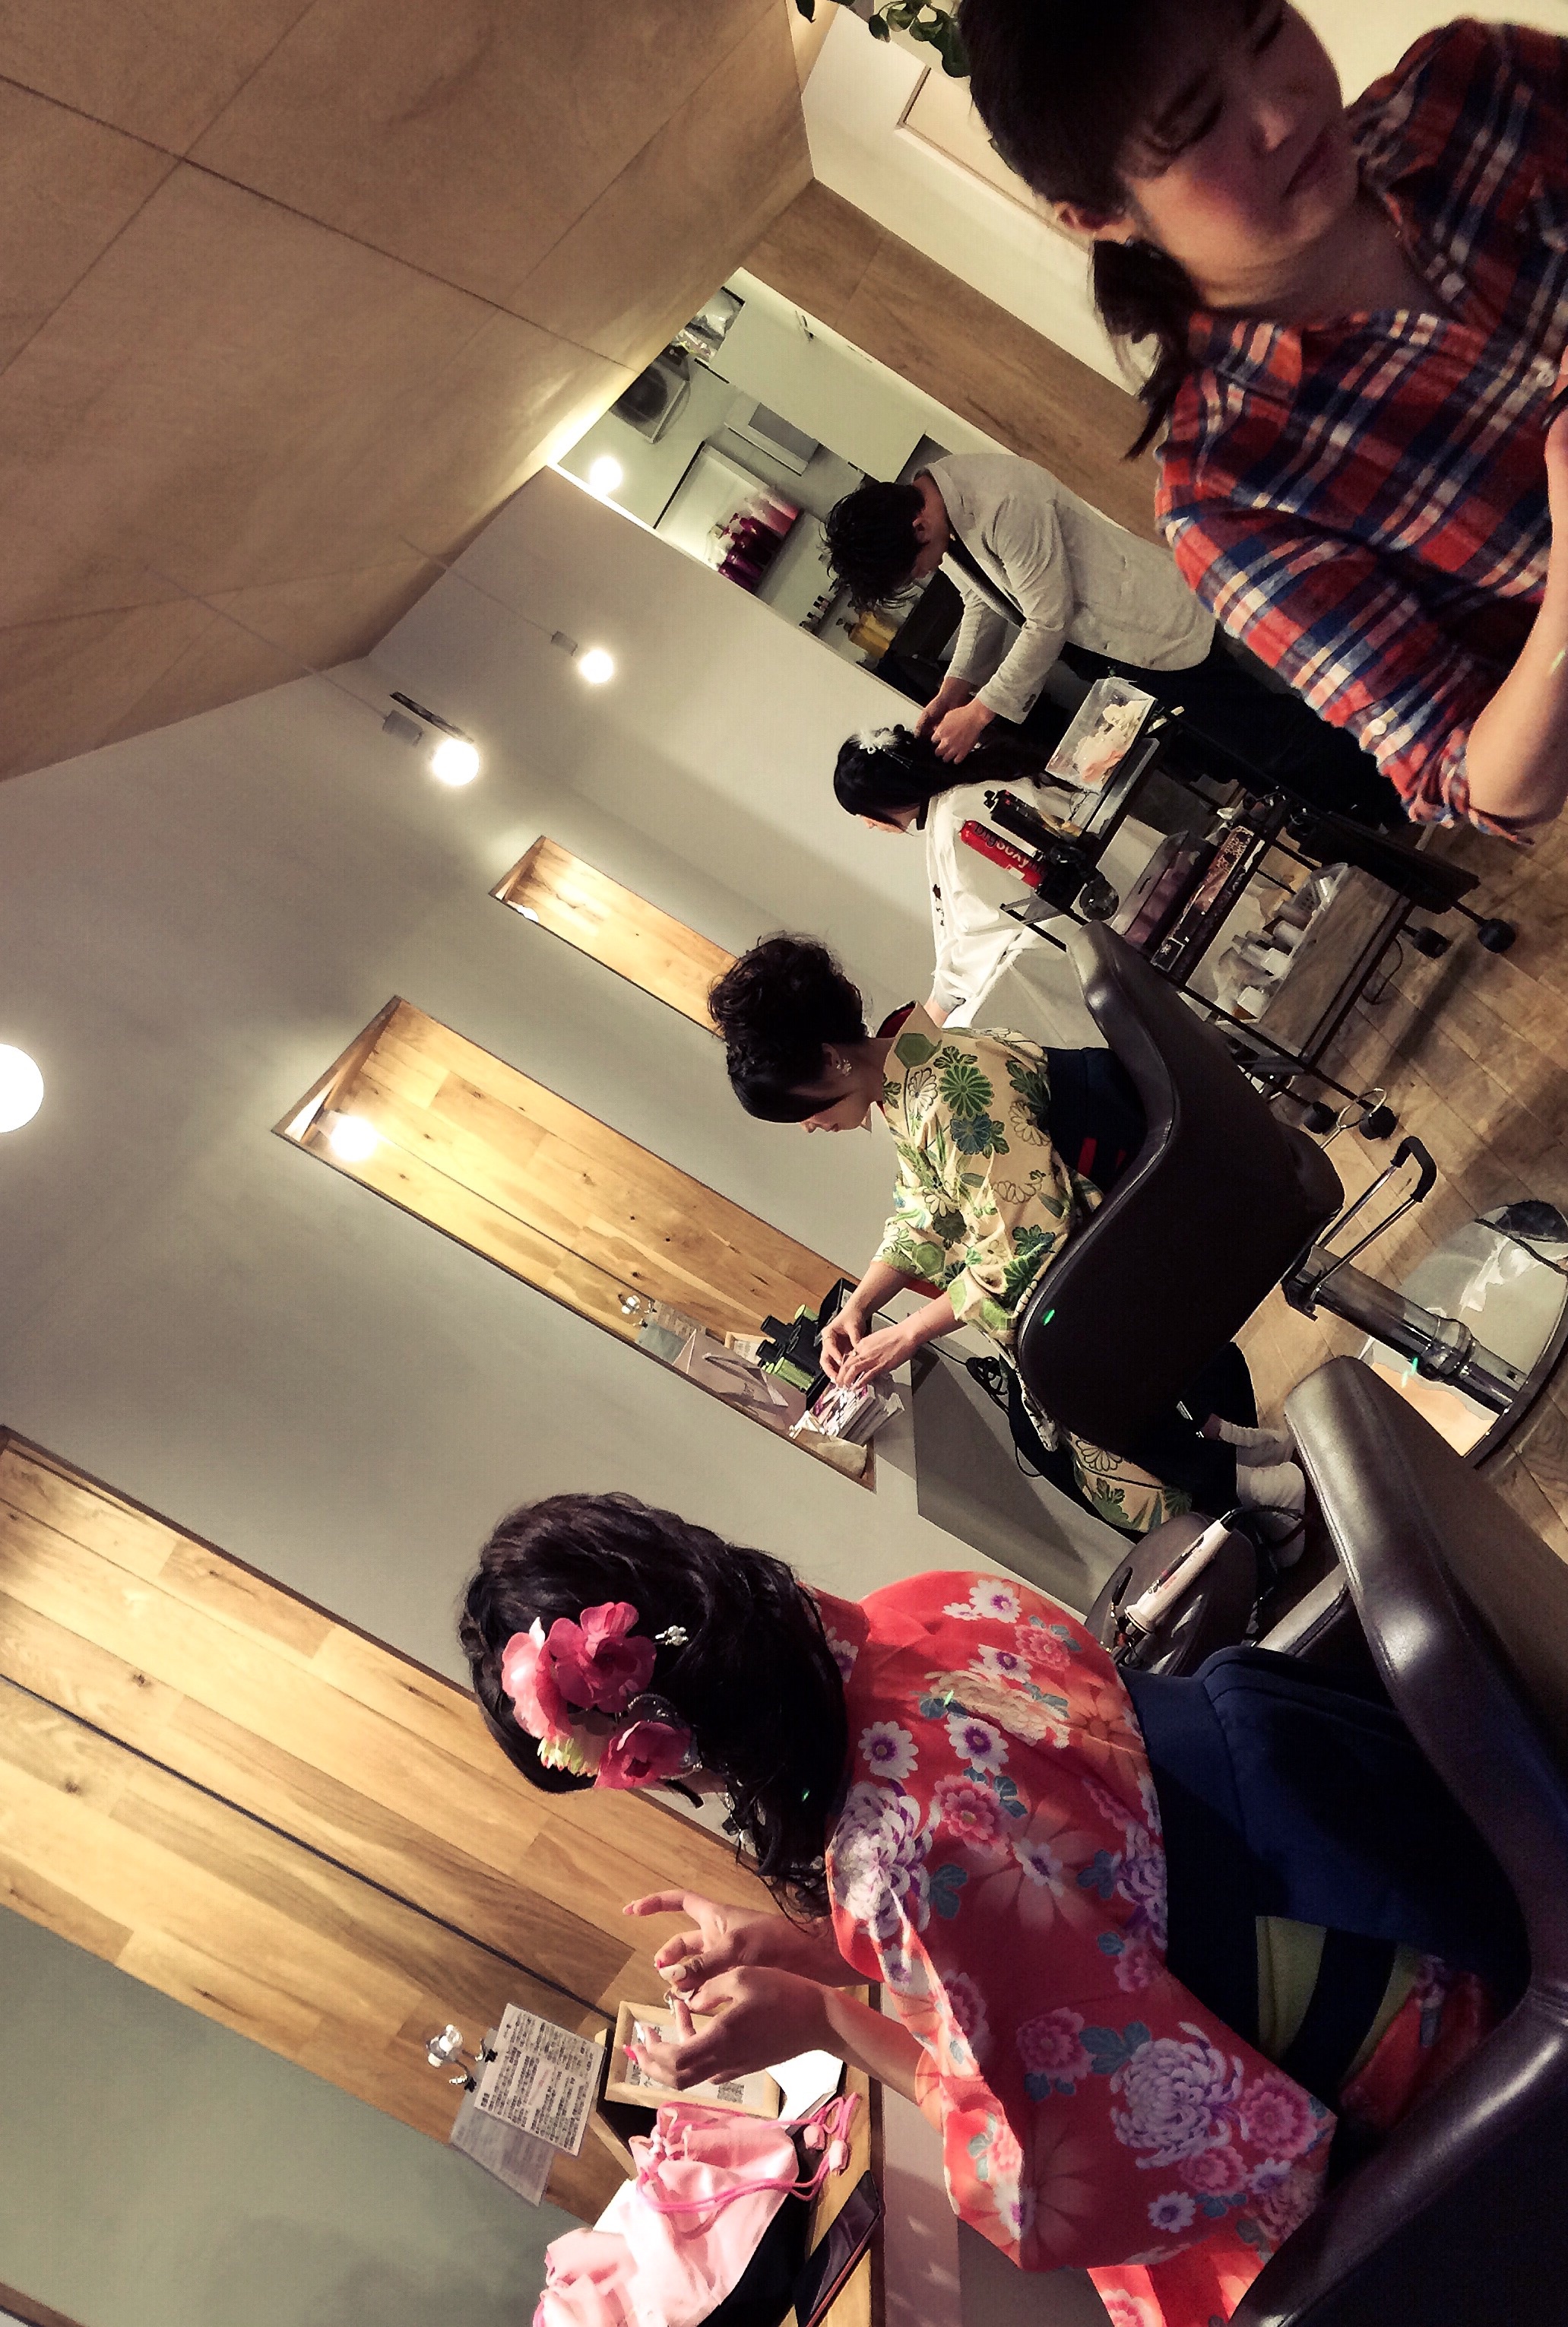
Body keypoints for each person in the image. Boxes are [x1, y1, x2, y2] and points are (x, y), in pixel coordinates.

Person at [458, 1495, 1525, 2325]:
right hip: (1396, 1853)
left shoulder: (885, 1861)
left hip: (1410, 2037)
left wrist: (826, 2019)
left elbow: (1048, 2180)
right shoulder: (917, 1609)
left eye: (613, 1768)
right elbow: (1057, 1886)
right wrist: (814, 1948)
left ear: (650, 1742)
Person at [958, 1, 1568, 841]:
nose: (1280, 114)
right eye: (1195, 123)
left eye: (1265, 29)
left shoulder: (1469, 83)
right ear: (1099, 215)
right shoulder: (1229, 492)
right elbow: (1474, 781)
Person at [707, 933, 1304, 1537]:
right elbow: (924, 1212)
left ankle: (1241, 1494)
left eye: (800, 1110)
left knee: (1050, 1406)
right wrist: (859, 1305)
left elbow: (1026, 1244)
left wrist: (909, 1333)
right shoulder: (911, 1073)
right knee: (1036, 1397)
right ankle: (1230, 1449)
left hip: (1129, 1235)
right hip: (1106, 1225)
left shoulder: (944, 1101)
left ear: (830, 1058)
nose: (808, 1126)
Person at [822, 452, 1400, 824]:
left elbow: (1046, 619)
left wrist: (980, 712)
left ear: (916, 525)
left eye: (913, 567)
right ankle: (1353, 822)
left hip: (1146, 630)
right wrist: (953, 690)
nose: (922, 574)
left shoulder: (998, 504)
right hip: (1110, 654)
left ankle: (1389, 800)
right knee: (1233, 757)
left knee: (1267, 738)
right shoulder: (939, 522)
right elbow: (983, 602)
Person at [833, 723, 1079, 1025]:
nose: (868, 824)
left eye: (863, 813)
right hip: (1056, 909)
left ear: (885, 797)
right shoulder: (954, 801)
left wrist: (945, 995)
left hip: (1063, 920)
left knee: (974, 1023)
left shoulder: (955, 816)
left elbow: (993, 921)